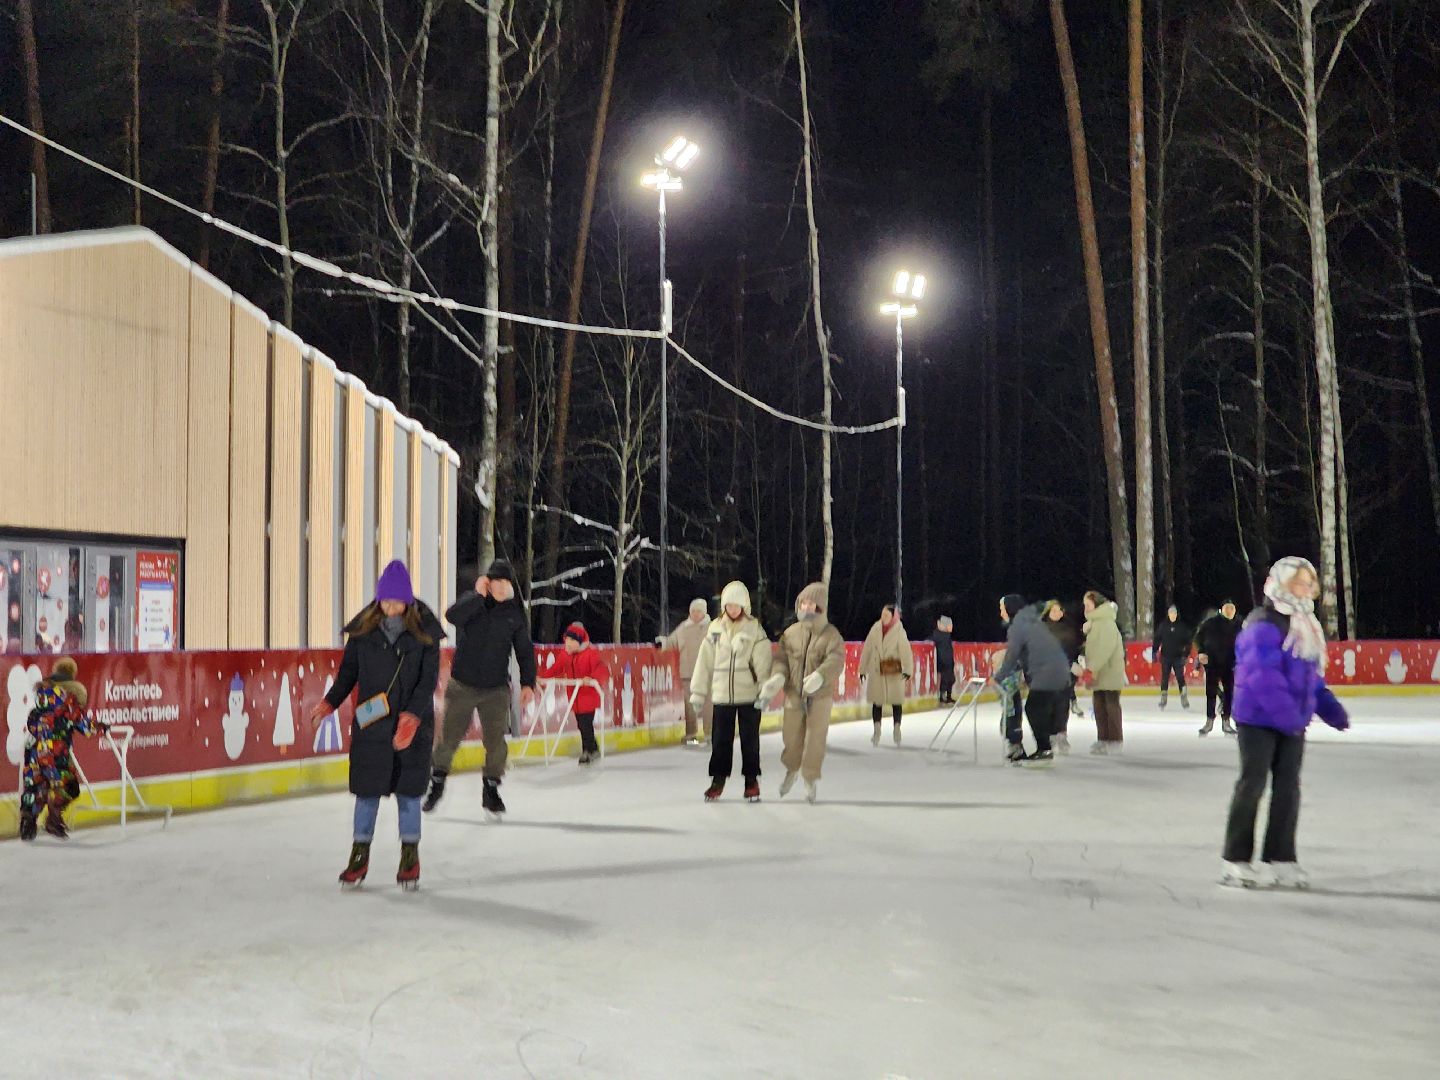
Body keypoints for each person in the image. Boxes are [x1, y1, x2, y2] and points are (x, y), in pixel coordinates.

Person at [311, 561, 442, 889]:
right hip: (372, 728)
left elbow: (427, 683)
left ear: (408, 602)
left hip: (413, 728)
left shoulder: (425, 636)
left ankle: (409, 857)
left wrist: (412, 718)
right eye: (386, 601)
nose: (391, 608)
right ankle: (359, 855)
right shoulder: (363, 634)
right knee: (366, 793)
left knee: (409, 794)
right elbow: (347, 675)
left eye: (398, 602)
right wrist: (329, 702)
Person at [1221, 557, 1348, 889]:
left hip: (1291, 722)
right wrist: (1289, 717)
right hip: (1258, 720)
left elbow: (1309, 677)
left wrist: (1329, 708)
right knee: (1252, 785)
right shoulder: (1262, 623)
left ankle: (1281, 858)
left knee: (1288, 790)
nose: (1307, 589)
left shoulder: (1304, 624)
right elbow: (1263, 678)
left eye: (1310, 583)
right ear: (1281, 584)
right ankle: (1236, 860)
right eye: (1299, 583)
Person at [426, 560, 537, 817]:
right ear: (488, 582)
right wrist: (478, 596)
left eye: (505, 583)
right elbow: (451, 616)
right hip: (462, 684)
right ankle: (437, 783)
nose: (500, 587)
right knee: (449, 737)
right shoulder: (473, 604)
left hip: (496, 690)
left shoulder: (513, 613)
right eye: (495, 582)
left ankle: (491, 789)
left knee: (496, 743)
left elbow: (524, 649)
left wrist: (528, 683)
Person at [691, 581, 777, 802]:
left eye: (737, 605)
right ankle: (718, 780)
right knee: (720, 741)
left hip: (749, 696)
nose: (733, 609)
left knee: (750, 741)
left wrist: (764, 691)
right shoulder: (715, 628)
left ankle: (751, 780)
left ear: (745, 605)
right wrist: (698, 693)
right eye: (729, 605)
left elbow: (762, 662)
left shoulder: (754, 629)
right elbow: (704, 661)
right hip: (722, 695)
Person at [18, 657, 109, 841]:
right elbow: (84, 726)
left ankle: (28, 823)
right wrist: (101, 726)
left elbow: (33, 724)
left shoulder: (40, 699)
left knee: (35, 786)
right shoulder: (68, 701)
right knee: (69, 786)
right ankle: (53, 819)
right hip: (55, 754)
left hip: (33, 753)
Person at [773, 582, 846, 803]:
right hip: (794, 693)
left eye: (811, 604)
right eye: (802, 603)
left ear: (820, 607)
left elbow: (836, 659)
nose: (806, 607)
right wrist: (777, 676)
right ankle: (792, 770)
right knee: (791, 734)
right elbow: (781, 659)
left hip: (819, 696)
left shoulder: (831, 634)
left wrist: (821, 676)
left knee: (815, 738)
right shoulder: (790, 633)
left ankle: (810, 777)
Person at [994, 594, 1070, 766]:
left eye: (1002, 609)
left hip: (1047, 673)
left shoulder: (1019, 626)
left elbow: (1012, 656)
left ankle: (1045, 749)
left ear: (1010, 609)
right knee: (1037, 709)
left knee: (1034, 709)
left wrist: (998, 677)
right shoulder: (1030, 623)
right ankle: (1045, 748)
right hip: (1055, 671)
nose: (1000, 613)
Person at [859, 604, 914, 746]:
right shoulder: (875, 628)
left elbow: (906, 651)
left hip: (892, 670)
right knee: (877, 702)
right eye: (882, 614)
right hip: (877, 669)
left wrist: (907, 669)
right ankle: (877, 731)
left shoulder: (899, 630)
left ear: (893, 616)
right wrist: (862, 669)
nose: (883, 618)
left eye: (886, 615)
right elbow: (867, 649)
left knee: (896, 701)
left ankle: (897, 729)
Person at [556, 622, 609, 765]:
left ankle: (589, 750)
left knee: (585, 724)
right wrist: (542, 677)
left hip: (588, 697)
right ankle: (591, 748)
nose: (569, 642)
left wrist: (591, 678)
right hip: (576, 698)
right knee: (582, 725)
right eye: (568, 639)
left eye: (572, 639)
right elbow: (557, 668)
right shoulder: (567, 655)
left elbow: (602, 670)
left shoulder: (590, 653)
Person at [1082, 591, 1126, 754]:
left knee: (1111, 705)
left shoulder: (1106, 622)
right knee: (1099, 705)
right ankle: (1103, 739)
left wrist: (1093, 668)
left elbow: (1105, 648)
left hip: (1108, 671)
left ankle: (1115, 740)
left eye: (1088, 604)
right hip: (1099, 671)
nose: (1085, 608)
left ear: (1097, 604)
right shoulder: (1096, 623)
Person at [665, 598, 712, 746]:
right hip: (687, 672)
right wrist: (662, 643)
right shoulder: (683, 628)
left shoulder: (713, 628)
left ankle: (710, 734)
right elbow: (671, 641)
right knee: (690, 706)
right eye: (693, 611)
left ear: (704, 612)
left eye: (698, 611)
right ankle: (691, 734)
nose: (696, 614)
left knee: (708, 706)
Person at [1042, 599, 1084, 750]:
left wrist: (1078, 660)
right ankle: (1050, 735)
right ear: (1048, 612)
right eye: (1053, 610)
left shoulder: (1069, 628)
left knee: (1062, 705)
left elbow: (1077, 648)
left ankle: (1061, 734)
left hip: (1066, 674)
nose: (1057, 613)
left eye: (1059, 610)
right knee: (1049, 706)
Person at [1195, 600, 1241, 736]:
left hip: (1230, 664)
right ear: (1222, 609)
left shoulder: (1238, 625)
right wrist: (1201, 652)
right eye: (1227, 608)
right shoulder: (1211, 622)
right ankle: (1209, 721)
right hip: (1213, 663)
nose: (1230, 611)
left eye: (1232, 608)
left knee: (1229, 693)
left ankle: (1226, 722)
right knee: (1211, 692)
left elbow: (1245, 641)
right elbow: (1198, 637)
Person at [1153, 604, 1194, 709]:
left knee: (1180, 677)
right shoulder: (1163, 626)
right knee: (1165, 677)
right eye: (1171, 613)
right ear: (1168, 614)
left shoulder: (1181, 627)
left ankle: (1184, 697)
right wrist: (1154, 651)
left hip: (1178, 657)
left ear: (1177, 614)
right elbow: (1157, 639)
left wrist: (1185, 654)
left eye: (1174, 613)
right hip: (1165, 657)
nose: (1172, 615)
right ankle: (1163, 698)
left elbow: (1188, 642)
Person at [930, 616, 957, 704]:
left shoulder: (946, 636)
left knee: (951, 679)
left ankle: (948, 696)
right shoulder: (938, 635)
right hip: (943, 661)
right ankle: (942, 697)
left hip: (949, 661)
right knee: (945, 679)